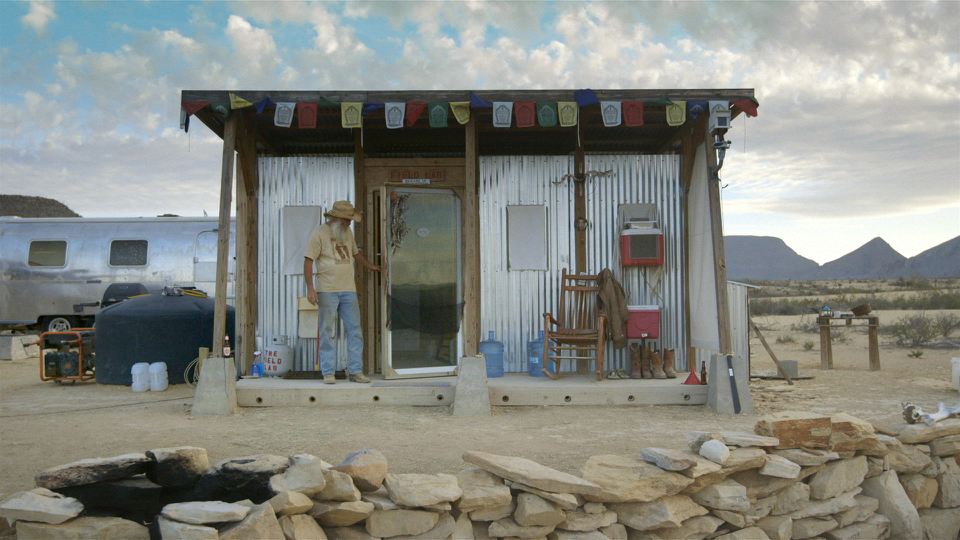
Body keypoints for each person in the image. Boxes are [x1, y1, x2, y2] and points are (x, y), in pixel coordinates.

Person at [304, 201, 380, 384]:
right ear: (336, 218)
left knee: (355, 331)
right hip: (327, 290)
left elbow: (355, 253)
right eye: (347, 220)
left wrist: (370, 266)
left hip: (348, 289)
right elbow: (308, 261)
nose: (349, 223)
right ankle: (328, 373)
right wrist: (311, 289)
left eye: (350, 220)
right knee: (327, 331)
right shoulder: (319, 233)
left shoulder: (347, 232)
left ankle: (355, 372)